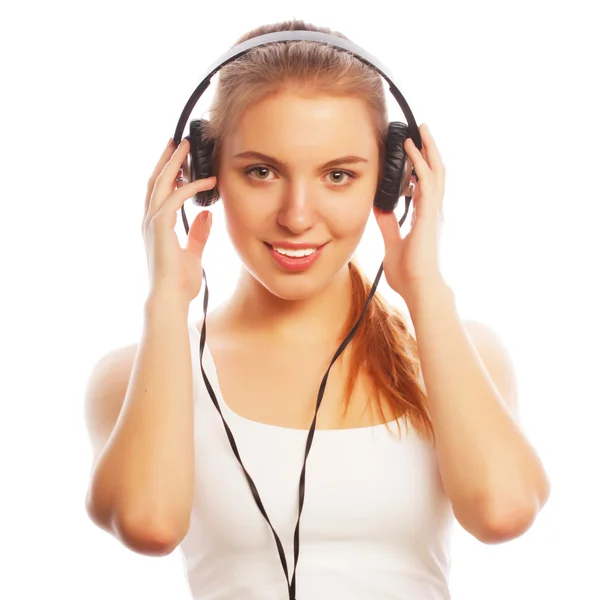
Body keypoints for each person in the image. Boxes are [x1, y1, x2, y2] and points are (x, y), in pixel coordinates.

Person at [83, 19, 551, 600]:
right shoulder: (137, 375)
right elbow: (148, 524)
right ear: (203, 175)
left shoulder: (461, 353)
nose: (298, 215)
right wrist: (165, 300)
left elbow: (503, 513)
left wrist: (425, 286)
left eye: (338, 175)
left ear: (392, 180)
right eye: (262, 171)